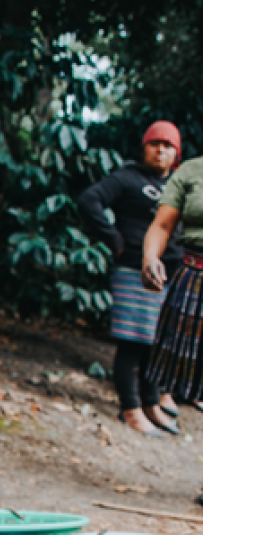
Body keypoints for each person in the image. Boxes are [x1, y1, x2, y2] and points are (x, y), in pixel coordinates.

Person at [77, 122, 184, 434]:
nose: (160, 149)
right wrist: (114, 239)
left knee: (155, 344)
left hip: (170, 275)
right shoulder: (127, 177)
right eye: (155, 143)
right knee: (132, 343)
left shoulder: (179, 185)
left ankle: (151, 403)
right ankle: (131, 408)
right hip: (135, 270)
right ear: (144, 147)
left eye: (168, 145)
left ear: (176, 153)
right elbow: (89, 201)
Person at [143, 157, 203, 407]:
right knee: (179, 379)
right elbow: (163, 225)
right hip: (196, 283)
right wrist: (150, 256)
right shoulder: (193, 171)